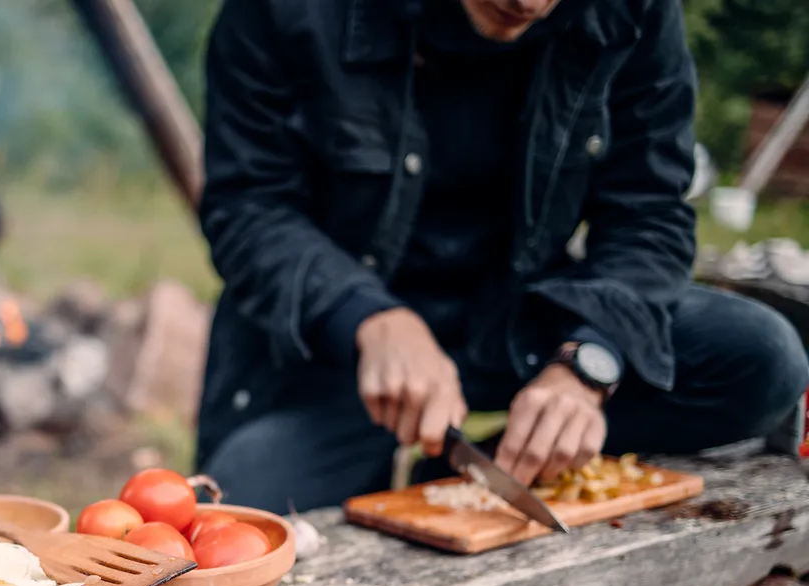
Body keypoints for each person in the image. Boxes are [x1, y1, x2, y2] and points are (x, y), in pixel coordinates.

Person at [194, 0, 809, 514]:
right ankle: (390, 463)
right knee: (242, 515)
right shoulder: (287, 9)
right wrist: (364, 316)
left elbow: (648, 213)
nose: (524, 6)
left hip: (523, 317)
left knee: (764, 360)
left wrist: (590, 361)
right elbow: (248, 209)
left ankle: (481, 457)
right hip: (334, 346)